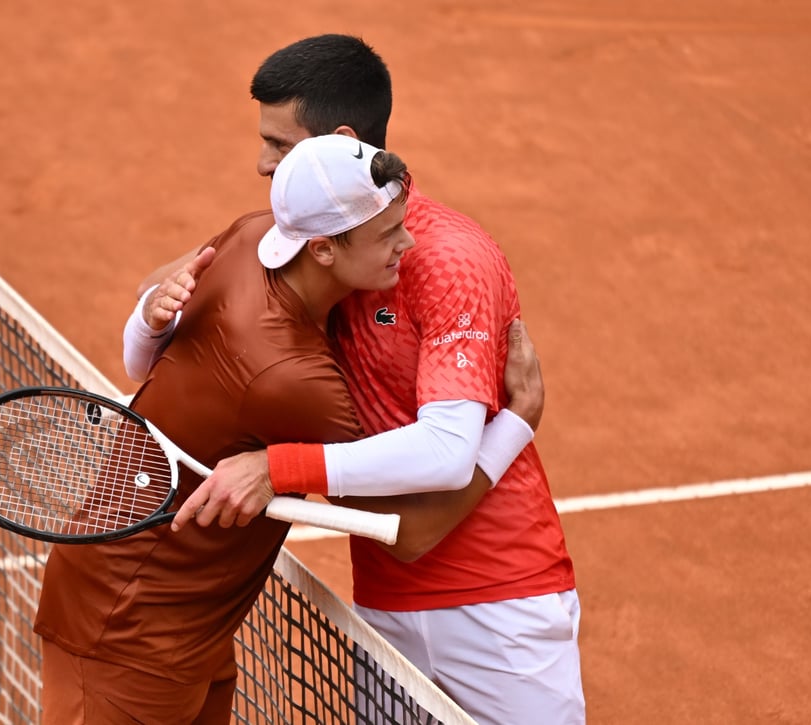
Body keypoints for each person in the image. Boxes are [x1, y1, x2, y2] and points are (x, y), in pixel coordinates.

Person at [133, 35, 583, 725]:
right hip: (387, 592)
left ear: (340, 143)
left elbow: (447, 450)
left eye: (280, 146)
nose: (262, 164)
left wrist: (274, 467)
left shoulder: (447, 259)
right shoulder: (303, 243)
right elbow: (167, 315)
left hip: (501, 602)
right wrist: (154, 309)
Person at [35, 133, 544, 723]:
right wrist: (515, 422)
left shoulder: (251, 235)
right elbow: (412, 532)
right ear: (323, 249)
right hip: (124, 632)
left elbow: (145, 364)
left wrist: (148, 321)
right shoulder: (297, 382)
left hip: (190, 629)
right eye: (387, 234)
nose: (408, 243)